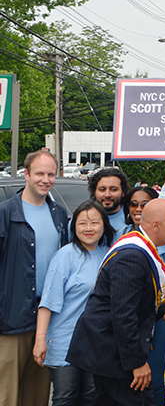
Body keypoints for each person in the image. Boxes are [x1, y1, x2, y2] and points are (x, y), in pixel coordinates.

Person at [67, 199, 165, 406]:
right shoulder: (132, 257)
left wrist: (162, 312)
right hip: (112, 353)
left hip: (112, 351)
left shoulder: (140, 247)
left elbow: (138, 295)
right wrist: (136, 363)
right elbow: (123, 313)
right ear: (156, 225)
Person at [0, 150, 69, 406]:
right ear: (26, 174)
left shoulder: (59, 215)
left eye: (51, 174)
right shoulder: (6, 213)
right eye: (39, 173)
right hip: (10, 320)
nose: (45, 179)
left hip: (47, 318)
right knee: (7, 394)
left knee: (38, 395)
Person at [33, 201, 115, 406]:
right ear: (73, 227)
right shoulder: (65, 256)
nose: (88, 228)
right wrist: (40, 339)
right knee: (65, 397)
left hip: (94, 343)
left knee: (90, 397)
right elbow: (48, 302)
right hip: (64, 341)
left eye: (95, 223)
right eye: (82, 223)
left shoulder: (109, 255)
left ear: (104, 225)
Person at [121, 182, 165, 406]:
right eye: (133, 204)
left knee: (153, 379)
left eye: (144, 204)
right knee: (133, 379)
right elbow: (124, 308)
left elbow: (164, 285)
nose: (138, 208)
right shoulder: (128, 246)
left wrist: (163, 311)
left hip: (156, 314)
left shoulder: (164, 238)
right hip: (132, 322)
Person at [88, 167, 131, 240]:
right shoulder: (81, 219)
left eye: (113, 189)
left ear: (123, 192)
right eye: (102, 190)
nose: (107, 195)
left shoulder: (132, 219)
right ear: (94, 192)